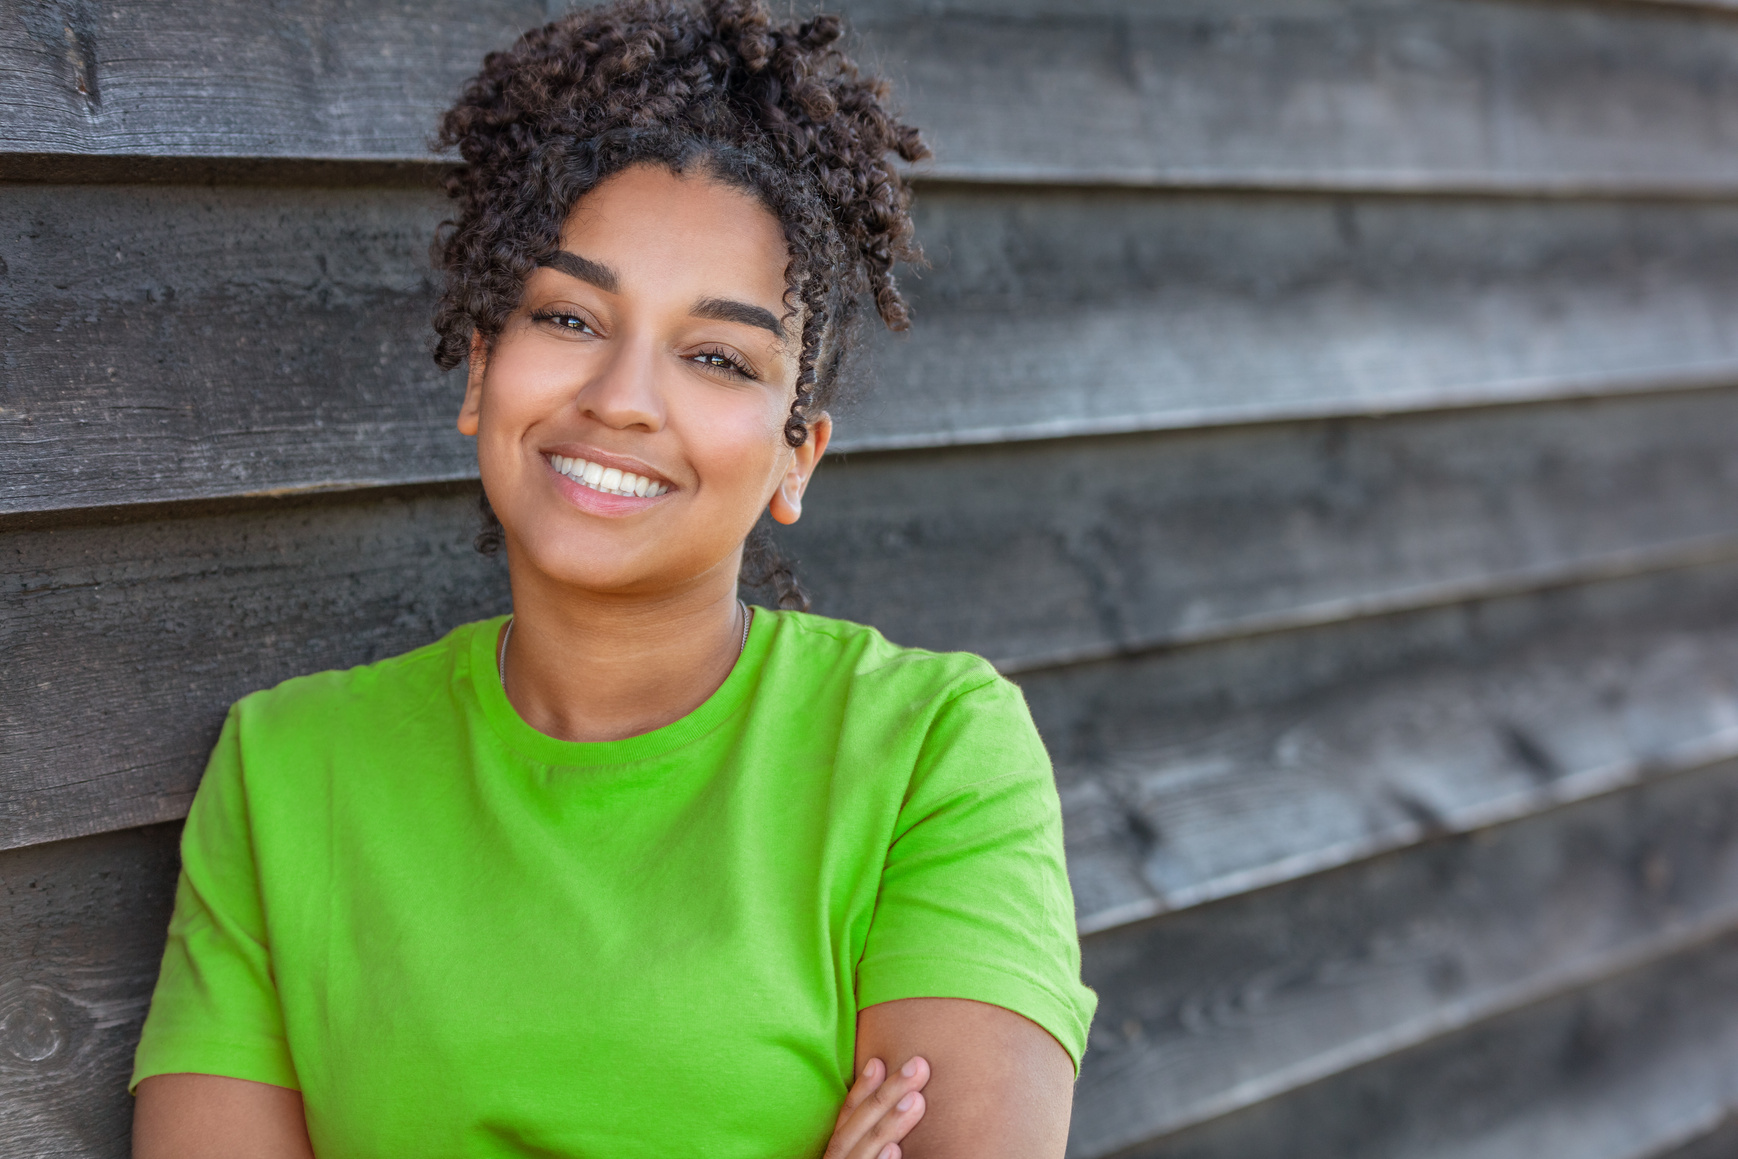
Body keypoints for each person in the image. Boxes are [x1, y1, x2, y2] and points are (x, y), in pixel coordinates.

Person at [129, 1, 1096, 1155]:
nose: (622, 396)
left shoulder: (929, 754)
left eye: (714, 355)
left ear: (798, 453)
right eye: (569, 315)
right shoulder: (287, 772)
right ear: (484, 371)